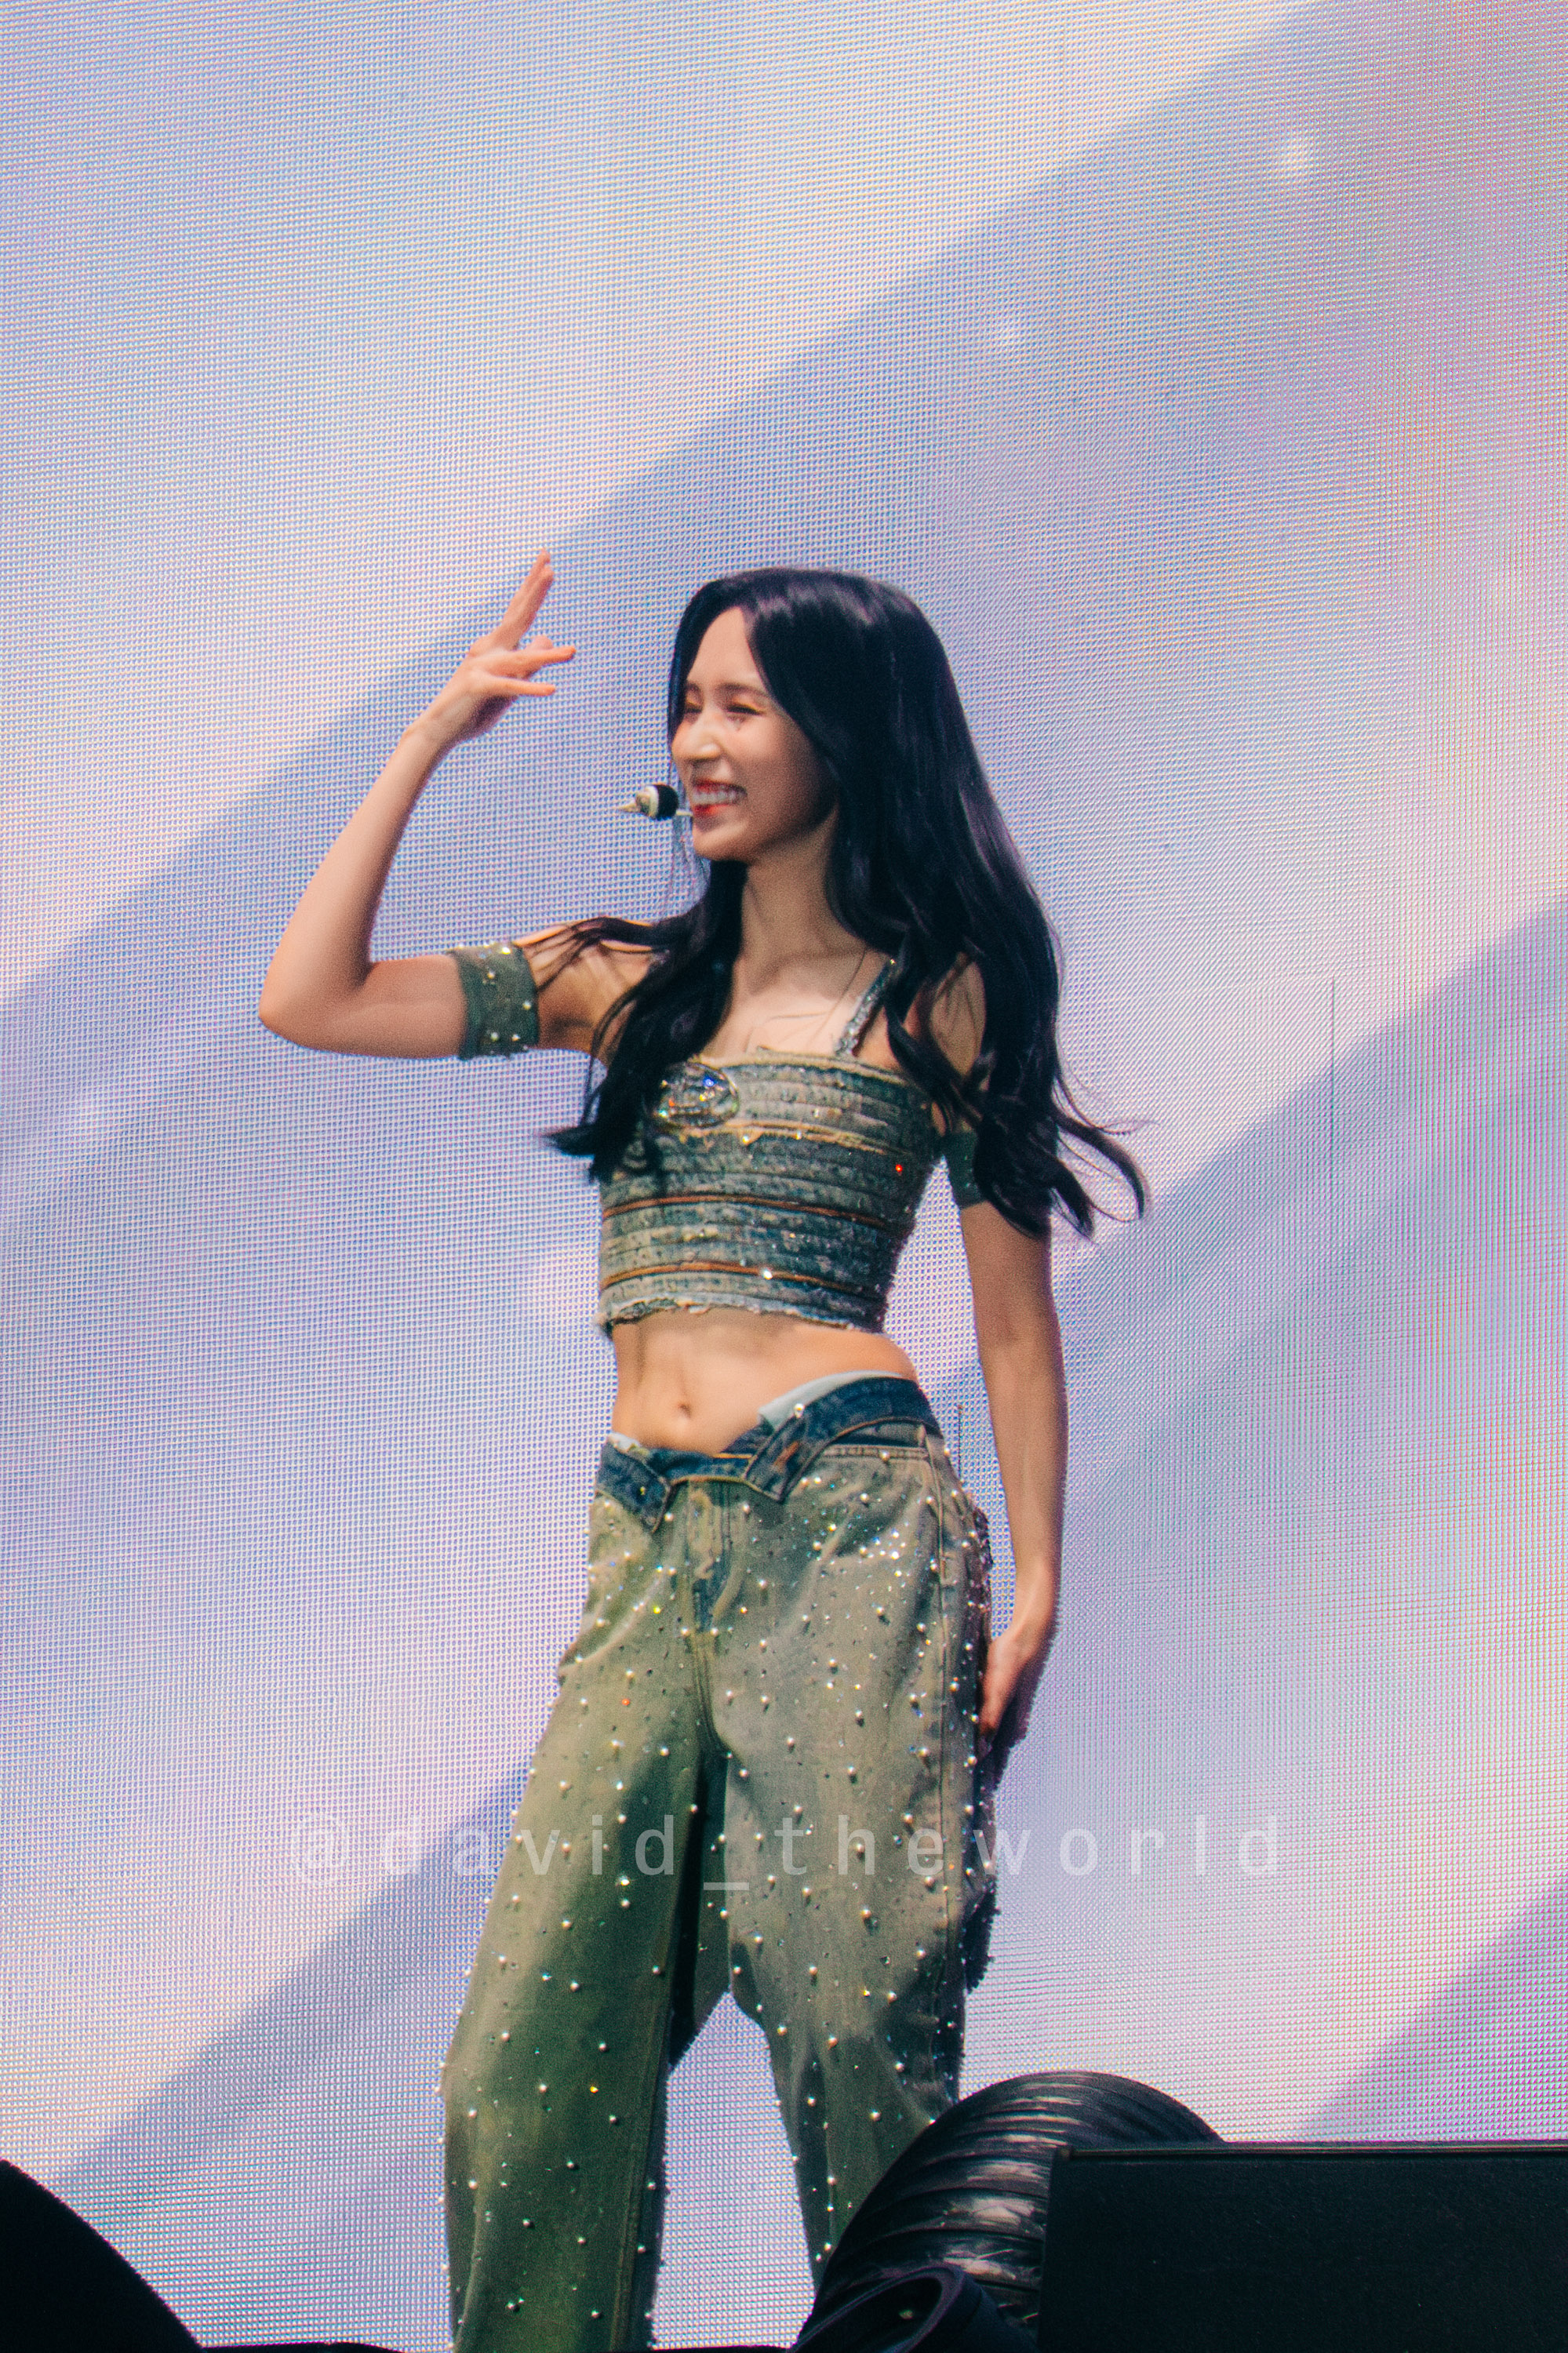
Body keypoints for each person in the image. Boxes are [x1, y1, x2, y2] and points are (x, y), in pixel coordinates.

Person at [259, 553, 1146, 2353]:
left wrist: (1043, 1582)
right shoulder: (617, 980)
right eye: (687, 704)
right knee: (520, 2068)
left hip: (850, 1526)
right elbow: (310, 996)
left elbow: (1009, 1320)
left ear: (846, 732)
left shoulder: (943, 993)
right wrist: (430, 735)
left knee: (853, 2029)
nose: (699, 741)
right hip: (646, 1545)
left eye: (742, 704)